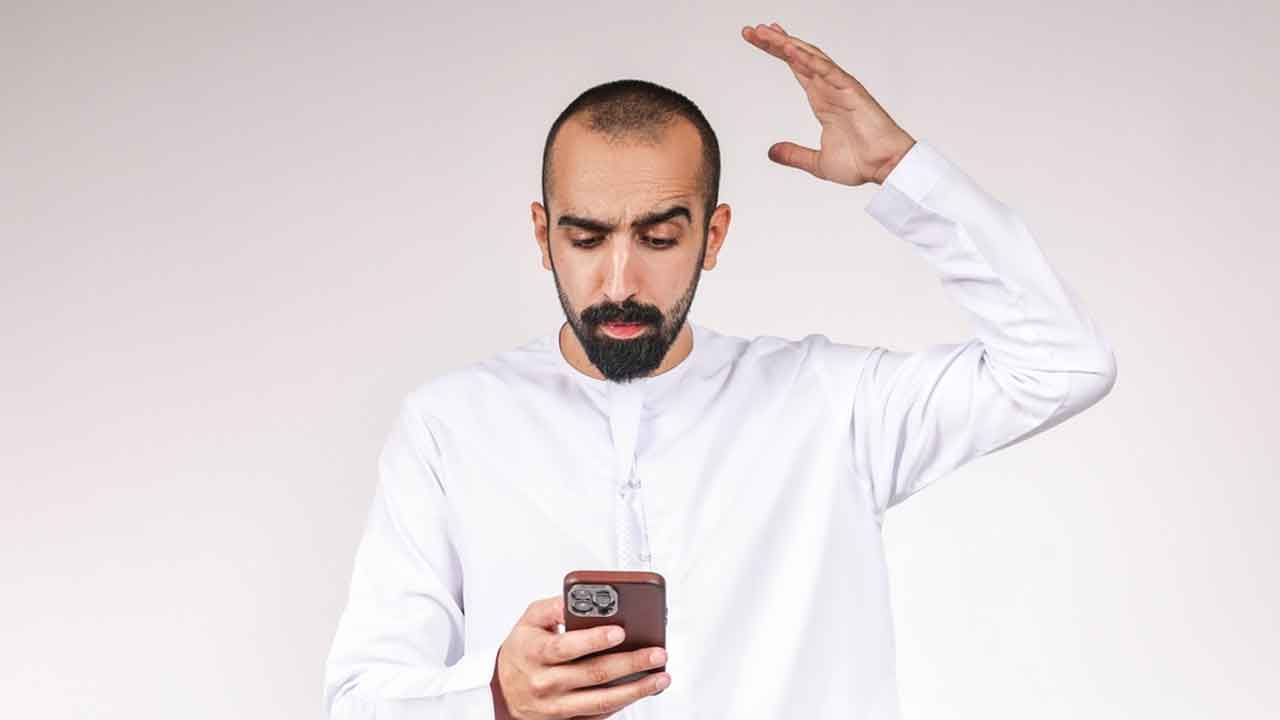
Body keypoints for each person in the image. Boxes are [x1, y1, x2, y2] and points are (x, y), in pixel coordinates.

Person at [322, 21, 1117, 720]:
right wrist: (496, 696)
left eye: (660, 238)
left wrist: (902, 173)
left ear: (714, 235)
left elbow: (1064, 364)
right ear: (542, 236)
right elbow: (359, 702)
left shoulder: (830, 405)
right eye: (587, 238)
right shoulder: (451, 425)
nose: (621, 282)